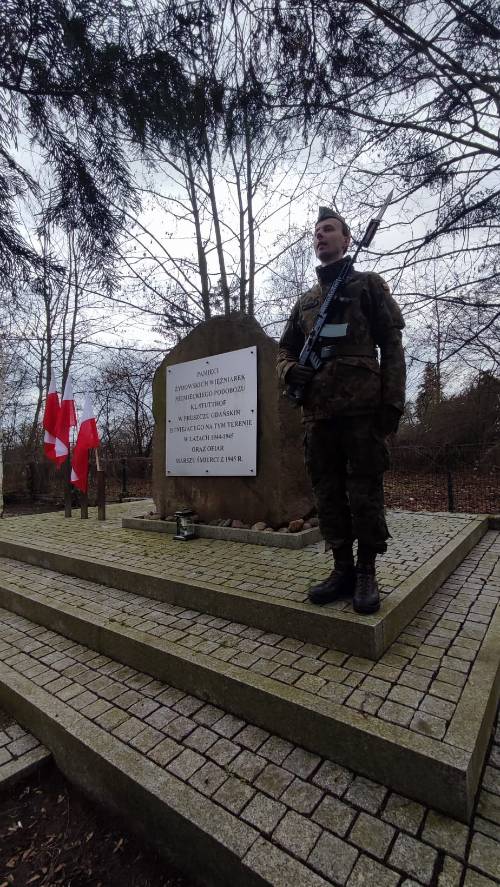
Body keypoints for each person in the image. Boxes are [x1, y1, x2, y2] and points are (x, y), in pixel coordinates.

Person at [276, 207, 406, 614]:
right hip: (318, 413)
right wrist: (289, 371)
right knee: (328, 493)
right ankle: (342, 569)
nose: (321, 236)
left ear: (348, 239)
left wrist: (392, 403)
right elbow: (284, 350)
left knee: (364, 491)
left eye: (329, 229)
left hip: (362, 409)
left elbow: (393, 344)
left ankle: (367, 572)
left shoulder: (368, 286)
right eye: (316, 232)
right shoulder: (306, 302)